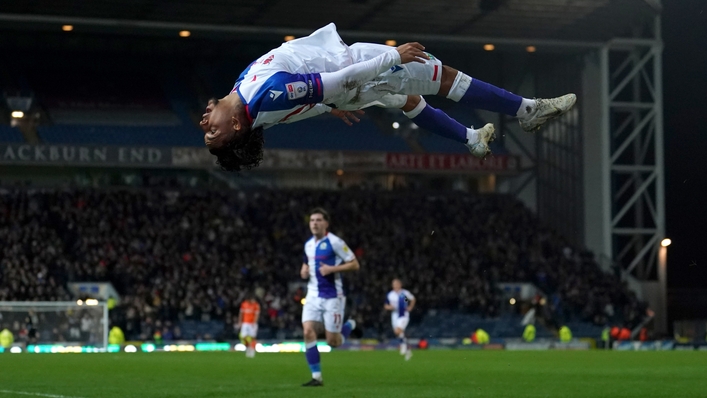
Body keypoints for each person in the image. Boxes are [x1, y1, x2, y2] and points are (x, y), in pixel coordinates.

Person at [200, 23, 576, 171]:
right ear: (234, 125)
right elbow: (339, 79)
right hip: (355, 66)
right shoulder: (266, 94)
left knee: (408, 100)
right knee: (440, 77)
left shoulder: (242, 95)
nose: (205, 124)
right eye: (213, 133)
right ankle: (527, 110)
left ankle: (471, 139)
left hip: (346, 89)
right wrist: (392, 57)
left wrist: (323, 107)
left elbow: (285, 111)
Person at [300, 208, 360, 387]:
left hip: (333, 297)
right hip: (312, 295)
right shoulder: (308, 245)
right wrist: (303, 270)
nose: (315, 223)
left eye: (318, 220)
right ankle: (316, 377)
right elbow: (305, 264)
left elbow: (355, 264)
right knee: (307, 332)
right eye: (312, 220)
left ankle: (350, 325)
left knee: (333, 342)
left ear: (326, 223)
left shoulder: (335, 242)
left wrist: (332, 269)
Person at [384, 278, 416, 361]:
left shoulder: (404, 293)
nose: (395, 285)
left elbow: (411, 299)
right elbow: (386, 305)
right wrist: (390, 307)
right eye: (394, 284)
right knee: (397, 332)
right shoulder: (390, 295)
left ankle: (404, 346)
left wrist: (410, 307)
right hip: (394, 315)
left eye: (396, 284)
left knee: (398, 330)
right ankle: (407, 349)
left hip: (403, 315)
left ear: (400, 284)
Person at [237, 292, 261, 358]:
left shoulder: (256, 305)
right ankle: (248, 348)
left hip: (252, 323)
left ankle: (252, 351)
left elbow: (257, 315)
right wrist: (240, 321)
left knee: (252, 337)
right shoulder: (244, 304)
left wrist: (254, 322)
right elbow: (241, 313)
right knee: (243, 337)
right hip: (245, 323)